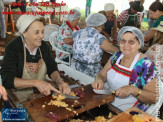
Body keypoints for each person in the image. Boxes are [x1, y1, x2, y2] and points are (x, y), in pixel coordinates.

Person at [1, 15, 71, 103]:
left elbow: (52, 68)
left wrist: (59, 81)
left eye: (42, 32)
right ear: (24, 33)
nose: (42, 36)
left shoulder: (44, 47)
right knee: (16, 116)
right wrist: (35, 82)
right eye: (37, 32)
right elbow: (7, 80)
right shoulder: (13, 48)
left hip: (41, 94)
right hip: (17, 97)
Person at [92, 26, 159, 112]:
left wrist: (134, 90)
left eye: (131, 42)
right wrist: (99, 80)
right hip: (109, 102)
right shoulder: (117, 56)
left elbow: (155, 97)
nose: (126, 45)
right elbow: (102, 74)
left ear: (139, 44)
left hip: (131, 111)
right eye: (123, 41)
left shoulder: (145, 65)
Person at [71, 13, 118, 77]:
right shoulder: (99, 38)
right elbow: (116, 51)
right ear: (100, 26)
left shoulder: (77, 33)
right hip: (90, 72)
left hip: (74, 68)